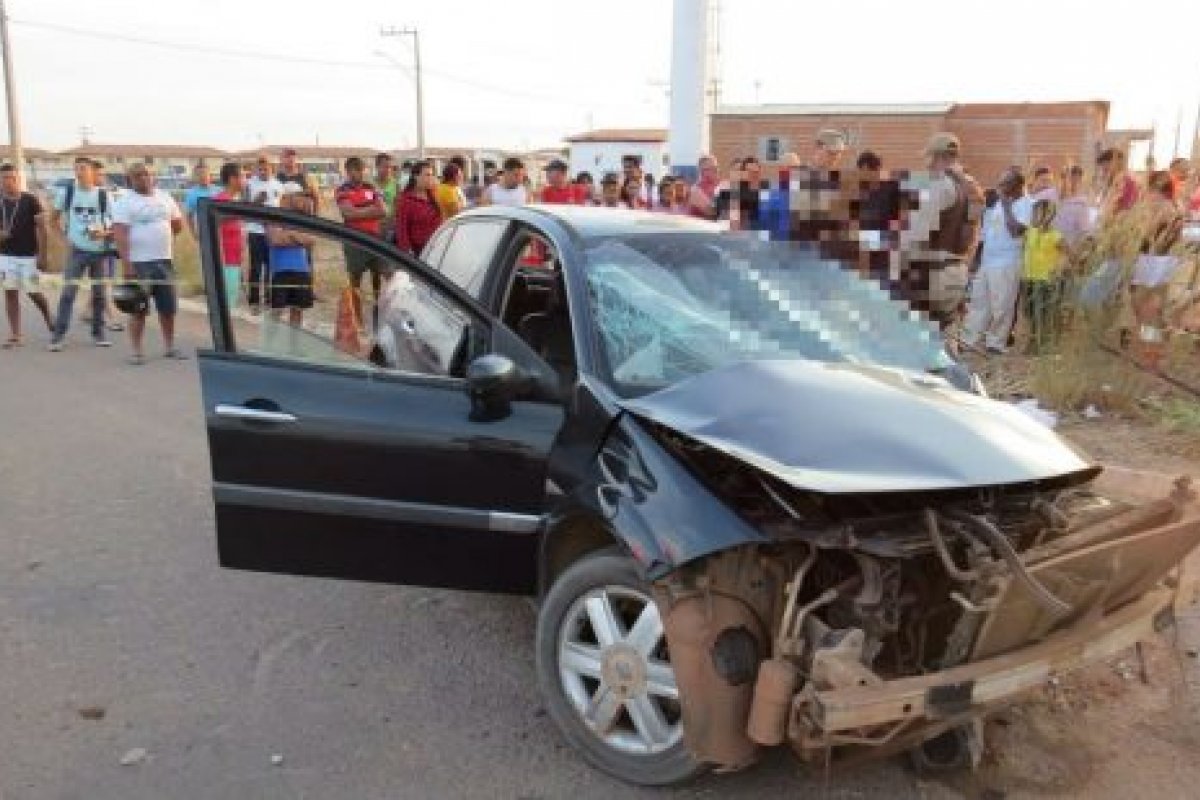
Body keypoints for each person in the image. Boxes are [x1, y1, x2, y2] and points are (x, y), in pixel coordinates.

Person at [899, 133, 983, 329]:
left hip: (932, 275)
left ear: (936, 157)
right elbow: (974, 234)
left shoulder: (940, 185)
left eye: (927, 158)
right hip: (958, 272)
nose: (926, 165)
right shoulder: (973, 187)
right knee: (944, 336)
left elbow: (915, 236)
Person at [111, 162, 185, 364]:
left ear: (154, 177)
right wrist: (127, 266)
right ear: (130, 180)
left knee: (168, 308)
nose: (144, 178)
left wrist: (163, 236)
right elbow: (120, 235)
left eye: (147, 174)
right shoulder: (125, 202)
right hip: (139, 263)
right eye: (138, 175)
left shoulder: (165, 197)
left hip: (164, 261)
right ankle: (137, 352)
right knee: (138, 309)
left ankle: (169, 347)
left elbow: (177, 224)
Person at [49, 156, 116, 350]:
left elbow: (115, 223)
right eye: (76, 168)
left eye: (83, 168)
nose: (79, 172)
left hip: (99, 251)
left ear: (93, 172)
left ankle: (98, 333)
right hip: (76, 251)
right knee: (68, 294)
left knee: (99, 294)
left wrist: (104, 233)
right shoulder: (67, 192)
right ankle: (58, 336)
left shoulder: (103, 195)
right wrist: (64, 240)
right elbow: (53, 219)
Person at [962, 169, 1032, 354]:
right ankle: (969, 340)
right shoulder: (998, 204)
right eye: (999, 183)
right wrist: (976, 260)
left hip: (1007, 262)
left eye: (1004, 183)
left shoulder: (1027, 204)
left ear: (1018, 186)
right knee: (978, 302)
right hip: (987, 261)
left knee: (1002, 306)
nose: (999, 187)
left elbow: (1016, 232)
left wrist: (1007, 206)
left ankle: (996, 343)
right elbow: (985, 234)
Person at [0, 163, 54, 346]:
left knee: (33, 292)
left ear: (18, 179)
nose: (8, 181)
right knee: (10, 292)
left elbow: (43, 229)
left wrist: (43, 255)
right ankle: (15, 334)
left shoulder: (31, 200)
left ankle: (50, 320)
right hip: (5, 256)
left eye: (12, 178)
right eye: (4, 178)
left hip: (28, 256)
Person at [336, 156, 389, 328]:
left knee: (377, 280)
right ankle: (357, 320)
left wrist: (359, 211)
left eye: (361, 170)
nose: (359, 174)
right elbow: (348, 214)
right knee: (355, 281)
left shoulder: (370, 188)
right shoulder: (342, 190)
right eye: (355, 170)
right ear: (348, 171)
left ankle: (377, 316)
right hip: (354, 242)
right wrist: (371, 210)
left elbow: (383, 211)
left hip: (374, 240)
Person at [265, 189, 317, 331]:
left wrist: (288, 235)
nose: (297, 201)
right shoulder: (272, 216)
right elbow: (275, 240)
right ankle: (269, 342)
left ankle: (294, 341)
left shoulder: (303, 218)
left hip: (301, 270)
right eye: (293, 197)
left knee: (297, 310)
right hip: (280, 271)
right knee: (276, 311)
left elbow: (311, 240)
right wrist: (298, 237)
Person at [1021, 199, 1066, 352]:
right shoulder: (1029, 232)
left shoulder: (1056, 236)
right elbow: (1024, 251)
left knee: (1041, 312)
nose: (1034, 216)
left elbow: (1068, 254)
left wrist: (1058, 269)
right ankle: (1036, 341)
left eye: (1037, 212)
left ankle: (1038, 343)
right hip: (1029, 278)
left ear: (1048, 215)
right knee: (1030, 312)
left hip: (1045, 280)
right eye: (1034, 212)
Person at [245, 157, 284, 311]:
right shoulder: (249, 184)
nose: (263, 172)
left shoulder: (279, 185)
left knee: (271, 266)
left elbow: (282, 208)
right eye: (260, 169)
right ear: (256, 169)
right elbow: (244, 207)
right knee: (255, 267)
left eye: (266, 169)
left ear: (272, 169)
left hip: (273, 231)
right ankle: (254, 301)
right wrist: (256, 202)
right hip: (255, 231)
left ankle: (269, 299)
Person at [213, 162, 246, 307]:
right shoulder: (221, 200)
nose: (245, 180)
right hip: (225, 261)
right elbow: (214, 229)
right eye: (243, 176)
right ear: (233, 179)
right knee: (226, 304)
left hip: (234, 259)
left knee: (231, 301)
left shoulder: (234, 200)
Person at [395, 160, 442, 256]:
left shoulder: (433, 195)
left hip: (436, 247)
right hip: (417, 251)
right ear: (416, 176)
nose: (430, 178)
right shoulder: (406, 200)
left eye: (432, 175)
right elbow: (402, 229)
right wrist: (407, 252)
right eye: (427, 175)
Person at [1095, 148, 1139, 217]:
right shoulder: (1108, 184)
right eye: (1102, 169)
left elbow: (1125, 209)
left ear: (1117, 163)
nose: (1103, 173)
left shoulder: (1128, 183)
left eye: (1106, 169)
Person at [183, 164, 220, 239]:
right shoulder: (192, 193)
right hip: (203, 232)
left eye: (205, 173)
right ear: (196, 177)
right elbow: (189, 216)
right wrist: (193, 233)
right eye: (199, 174)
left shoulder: (219, 191)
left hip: (220, 231)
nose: (202, 176)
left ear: (210, 175)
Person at [374, 152, 400, 243]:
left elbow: (397, 207)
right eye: (385, 166)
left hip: (389, 227)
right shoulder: (370, 184)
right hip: (373, 226)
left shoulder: (396, 185)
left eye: (390, 167)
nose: (388, 170)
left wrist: (390, 222)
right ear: (377, 166)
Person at [687, 154, 721, 219]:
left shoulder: (720, 185)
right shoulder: (695, 190)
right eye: (711, 168)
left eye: (716, 167)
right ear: (702, 171)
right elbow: (712, 213)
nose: (716, 170)